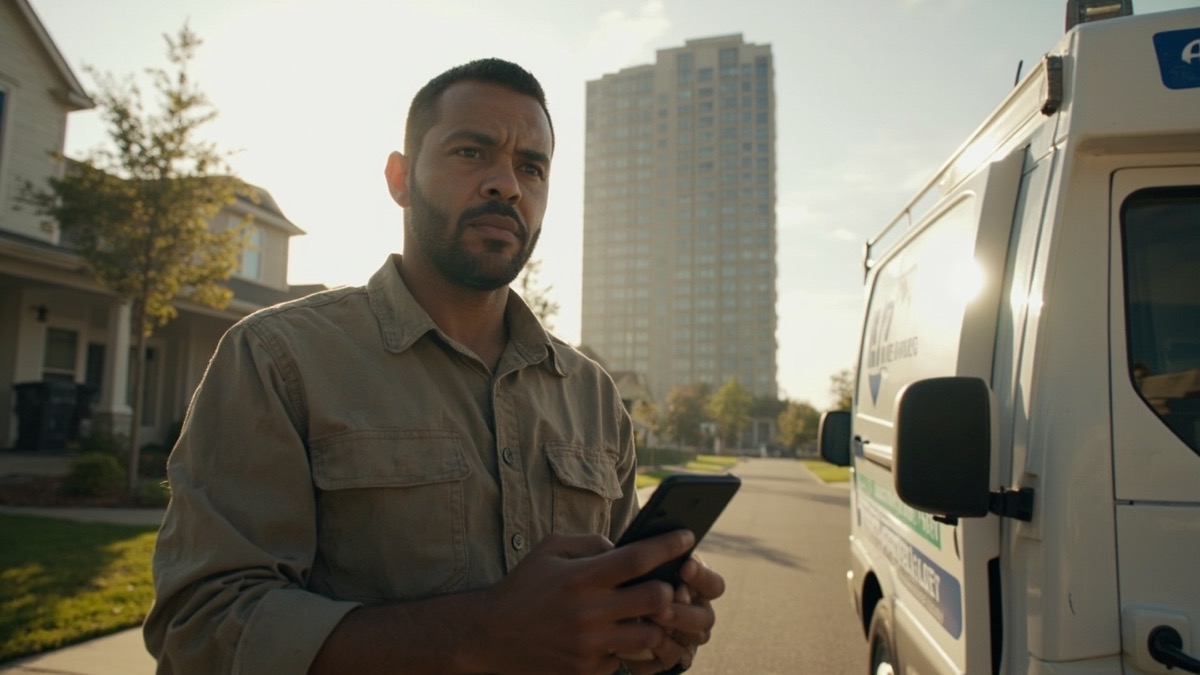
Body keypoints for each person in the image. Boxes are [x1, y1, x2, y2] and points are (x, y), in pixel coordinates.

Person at [143, 58, 725, 674]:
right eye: (471, 152)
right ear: (400, 178)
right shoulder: (278, 359)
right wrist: (485, 635)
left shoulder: (593, 397)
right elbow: (202, 628)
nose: (507, 184)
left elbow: (604, 616)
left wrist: (652, 633)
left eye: (532, 167)